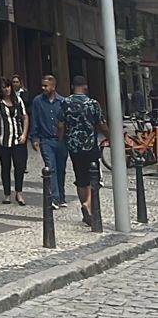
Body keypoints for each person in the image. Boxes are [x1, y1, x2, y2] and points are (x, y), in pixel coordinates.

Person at [60, 75, 108, 227]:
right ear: (85, 86)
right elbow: (101, 124)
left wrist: (61, 140)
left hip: (74, 147)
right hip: (90, 146)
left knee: (81, 179)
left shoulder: (65, 103)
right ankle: (88, 204)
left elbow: (60, 125)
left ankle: (86, 209)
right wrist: (111, 137)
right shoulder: (92, 104)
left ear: (72, 86)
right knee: (95, 177)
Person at [30, 72, 68, 207]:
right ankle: (54, 198)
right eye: (42, 85)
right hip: (46, 140)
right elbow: (34, 119)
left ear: (53, 86)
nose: (43, 88)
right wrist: (34, 137)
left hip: (61, 141)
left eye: (46, 86)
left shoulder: (62, 102)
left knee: (61, 169)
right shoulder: (38, 101)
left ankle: (61, 196)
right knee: (51, 168)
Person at [0, 77, 29, 204]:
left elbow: (25, 117)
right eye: (3, 87)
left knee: (19, 166)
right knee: (5, 167)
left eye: (8, 86)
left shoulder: (18, 100)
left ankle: (19, 192)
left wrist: (24, 134)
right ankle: (7, 194)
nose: (6, 89)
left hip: (18, 138)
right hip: (3, 139)